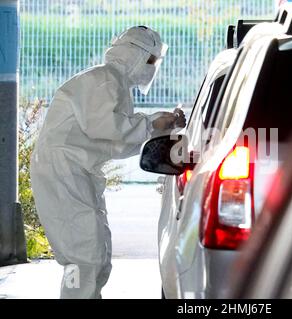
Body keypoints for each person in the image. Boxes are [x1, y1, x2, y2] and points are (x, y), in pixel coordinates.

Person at [30, 26, 185, 299]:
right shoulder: (104, 80)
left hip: (76, 172)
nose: (152, 67)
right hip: (63, 172)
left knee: (96, 252)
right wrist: (150, 124)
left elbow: (117, 143)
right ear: (133, 54)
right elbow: (107, 127)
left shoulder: (116, 85)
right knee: (84, 254)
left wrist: (157, 128)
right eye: (150, 59)